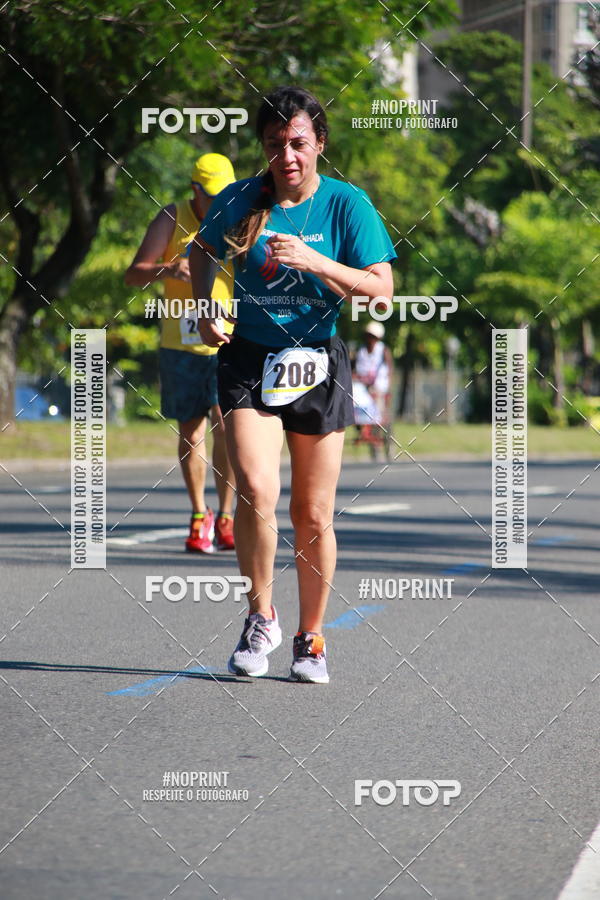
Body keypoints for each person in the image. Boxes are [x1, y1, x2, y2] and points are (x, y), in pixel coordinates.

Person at [190, 87, 396, 682]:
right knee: (256, 488)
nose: (287, 156)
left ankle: (311, 637)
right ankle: (261, 618)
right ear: (264, 147)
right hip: (248, 358)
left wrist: (315, 262)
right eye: (275, 144)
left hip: (317, 361)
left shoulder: (347, 205)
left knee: (312, 511)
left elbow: (381, 290)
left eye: (298, 143)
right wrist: (206, 305)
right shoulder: (241, 199)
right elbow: (202, 251)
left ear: (319, 144)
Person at [125, 153, 236, 553]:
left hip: (227, 338)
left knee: (226, 427)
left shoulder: (239, 218)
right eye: (211, 195)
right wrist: (168, 269)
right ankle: (199, 514)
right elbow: (133, 273)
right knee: (191, 432)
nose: (219, 202)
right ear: (195, 189)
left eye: (225, 195)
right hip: (182, 343)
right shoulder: (172, 218)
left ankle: (227, 517)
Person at [353, 321, 394, 458]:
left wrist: (387, 389)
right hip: (362, 388)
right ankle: (364, 434)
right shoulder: (361, 350)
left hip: (379, 388)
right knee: (358, 412)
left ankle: (386, 446)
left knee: (379, 417)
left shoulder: (383, 350)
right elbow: (355, 369)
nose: (370, 339)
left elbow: (389, 370)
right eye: (368, 336)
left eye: (373, 336)